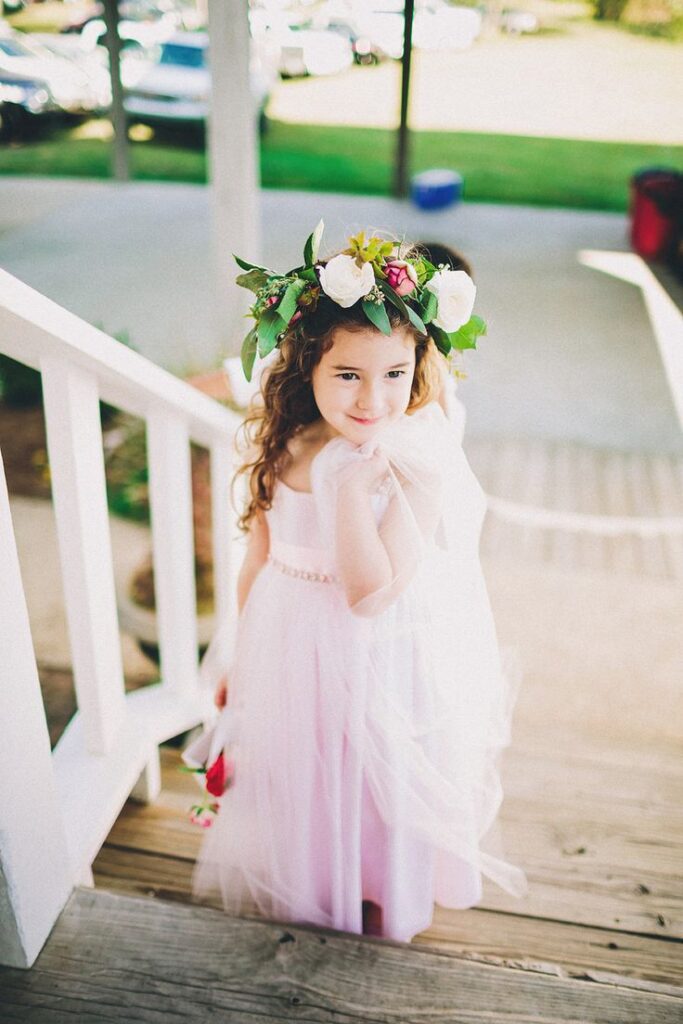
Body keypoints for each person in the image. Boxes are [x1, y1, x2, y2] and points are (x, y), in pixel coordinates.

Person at [182, 223, 528, 942]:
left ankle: (375, 890)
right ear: (305, 368)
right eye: (348, 375)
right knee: (303, 773)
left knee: (370, 777)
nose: (373, 399)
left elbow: (370, 593)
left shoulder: (409, 460)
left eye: (394, 376)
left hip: (373, 647)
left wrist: (346, 489)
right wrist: (238, 661)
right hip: (285, 633)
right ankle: (315, 886)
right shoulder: (282, 439)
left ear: (418, 371)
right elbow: (256, 557)